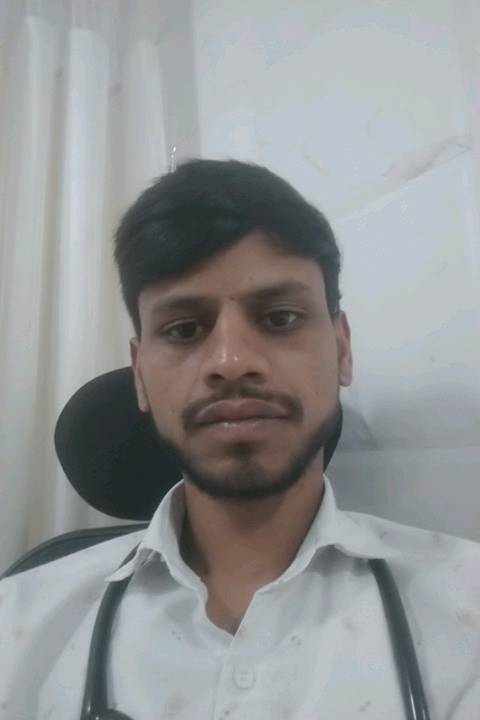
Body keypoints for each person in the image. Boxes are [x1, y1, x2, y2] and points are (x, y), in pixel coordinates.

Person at [0, 159, 478, 719]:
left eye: (280, 319)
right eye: (183, 329)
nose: (230, 362)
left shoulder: (466, 607)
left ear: (342, 348)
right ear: (140, 376)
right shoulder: (17, 627)